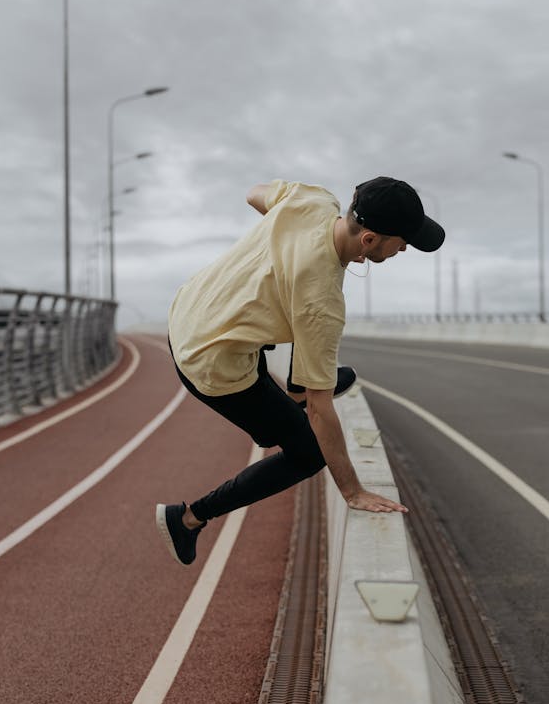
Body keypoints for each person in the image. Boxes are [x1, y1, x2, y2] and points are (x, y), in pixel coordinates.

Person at [156, 176, 445, 565]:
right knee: (308, 452)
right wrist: (353, 491)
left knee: (293, 368)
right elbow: (321, 412)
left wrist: (282, 230)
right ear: (370, 240)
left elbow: (253, 192)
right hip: (211, 363)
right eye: (403, 240)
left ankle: (292, 395)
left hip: (189, 310)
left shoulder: (312, 200)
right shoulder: (321, 302)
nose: (406, 247)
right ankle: (189, 519)